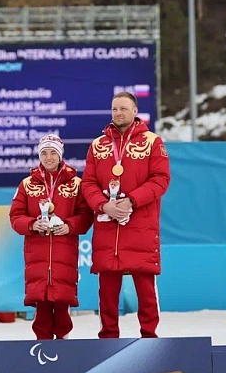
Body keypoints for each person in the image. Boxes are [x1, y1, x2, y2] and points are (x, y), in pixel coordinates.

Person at [81, 92, 171, 339]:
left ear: (134, 111)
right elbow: (87, 183)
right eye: (114, 109)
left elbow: (161, 179)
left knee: (145, 288)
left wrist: (132, 200)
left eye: (123, 108)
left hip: (140, 225)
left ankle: (150, 338)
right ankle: (108, 338)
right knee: (107, 291)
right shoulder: (98, 145)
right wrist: (103, 206)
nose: (118, 113)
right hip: (108, 227)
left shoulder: (153, 142)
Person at [9, 135, 94, 340]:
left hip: (64, 254)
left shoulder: (76, 184)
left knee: (62, 306)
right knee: (42, 309)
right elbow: (15, 216)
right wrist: (32, 224)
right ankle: (42, 347)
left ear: (60, 155)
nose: (48, 157)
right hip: (37, 256)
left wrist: (69, 226)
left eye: (53, 153)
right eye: (44, 153)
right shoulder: (27, 184)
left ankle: (64, 345)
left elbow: (86, 215)